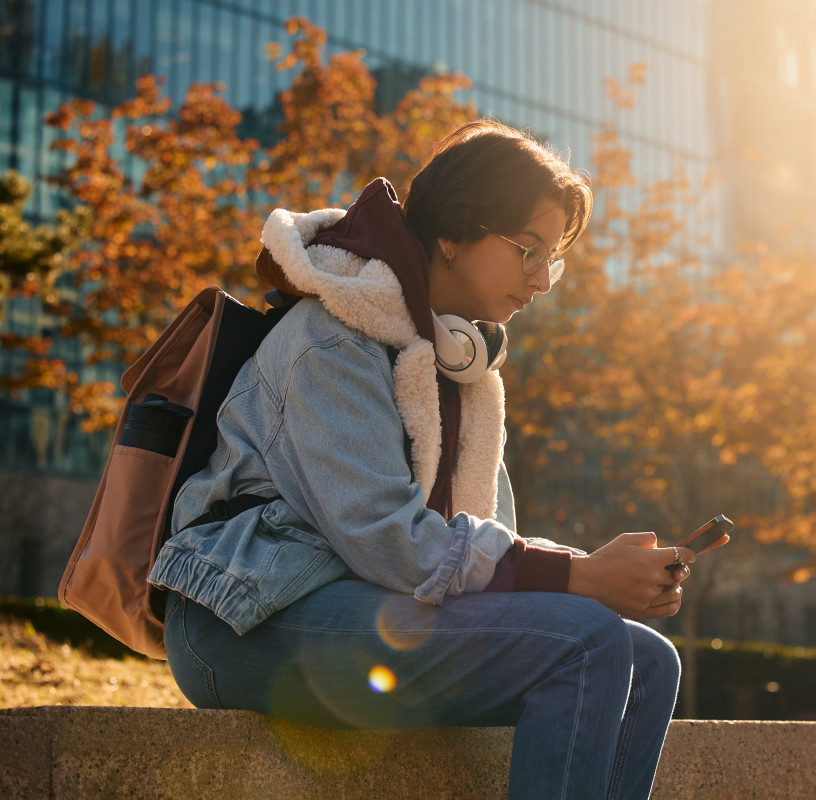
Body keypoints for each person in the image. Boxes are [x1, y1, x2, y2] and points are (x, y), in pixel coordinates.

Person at [148, 119, 695, 799]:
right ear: (453, 232)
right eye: (527, 248)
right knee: (583, 640)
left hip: (364, 609)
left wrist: (601, 572)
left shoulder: (457, 368)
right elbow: (391, 541)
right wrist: (580, 579)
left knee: (648, 660)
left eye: (551, 258)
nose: (542, 280)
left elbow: (475, 542)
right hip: (244, 620)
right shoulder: (332, 338)